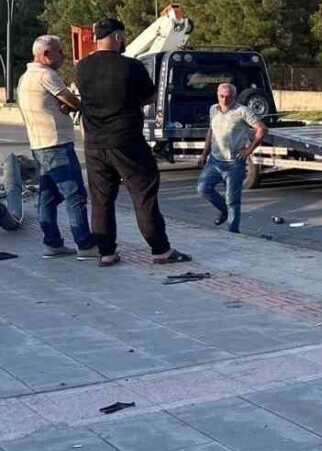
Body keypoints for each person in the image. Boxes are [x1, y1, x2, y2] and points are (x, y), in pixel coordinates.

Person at [75, 18, 189, 267]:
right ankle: (160, 250)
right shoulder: (130, 66)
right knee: (143, 193)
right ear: (117, 36)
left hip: (94, 144)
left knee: (101, 200)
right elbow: (150, 96)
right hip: (126, 140)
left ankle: (106, 253)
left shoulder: (82, 67)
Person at [16, 35, 98, 259]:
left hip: (39, 145)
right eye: (59, 51)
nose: (63, 55)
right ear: (45, 55)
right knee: (75, 194)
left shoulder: (25, 77)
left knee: (48, 197)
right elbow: (72, 101)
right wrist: (75, 105)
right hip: (56, 144)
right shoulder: (46, 75)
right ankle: (85, 244)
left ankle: (52, 243)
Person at [198, 82, 267, 233]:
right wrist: (204, 153)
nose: (225, 99)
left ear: (234, 96)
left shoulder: (242, 111)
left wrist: (248, 150)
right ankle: (224, 210)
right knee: (203, 188)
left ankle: (233, 232)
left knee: (232, 200)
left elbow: (262, 129)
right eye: (222, 96)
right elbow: (211, 131)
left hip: (234, 163)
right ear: (217, 95)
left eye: (228, 97)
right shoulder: (213, 109)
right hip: (215, 160)